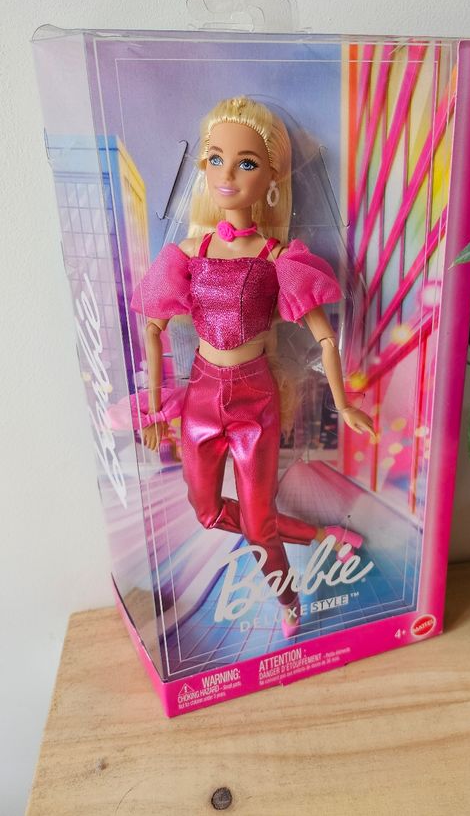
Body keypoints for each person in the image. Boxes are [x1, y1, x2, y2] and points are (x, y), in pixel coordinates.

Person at [130, 96, 375, 638]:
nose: (226, 175)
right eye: (216, 159)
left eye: (245, 163)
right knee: (207, 511)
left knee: (260, 523)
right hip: (200, 397)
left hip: (254, 400)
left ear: (271, 178)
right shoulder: (188, 253)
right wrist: (153, 410)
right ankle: (322, 536)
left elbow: (325, 337)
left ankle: (288, 601)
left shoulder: (277, 258)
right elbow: (152, 327)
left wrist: (343, 404)